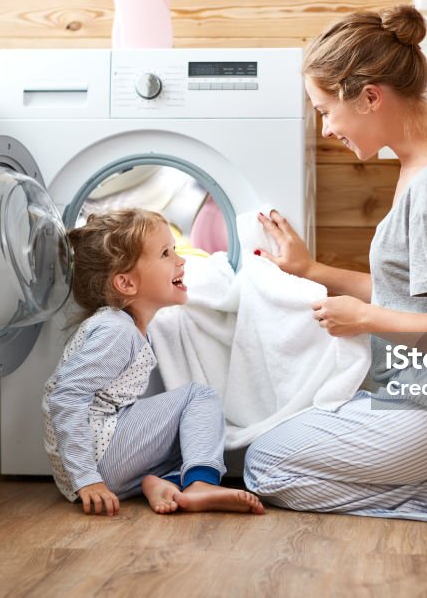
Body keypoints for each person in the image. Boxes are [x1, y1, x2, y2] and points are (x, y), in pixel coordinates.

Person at [243, 6, 427, 522]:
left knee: (264, 464)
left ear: (370, 96)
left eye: (325, 110)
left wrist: (362, 319)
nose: (326, 128)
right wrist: (312, 270)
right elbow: (414, 291)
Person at [43, 209, 264, 516]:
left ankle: (158, 483)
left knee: (190, 432)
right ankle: (200, 484)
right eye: (165, 253)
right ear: (126, 283)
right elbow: (66, 397)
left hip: (101, 459)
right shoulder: (115, 330)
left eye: (174, 249)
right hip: (95, 460)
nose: (180, 260)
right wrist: (86, 479)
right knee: (198, 397)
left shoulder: (126, 327)